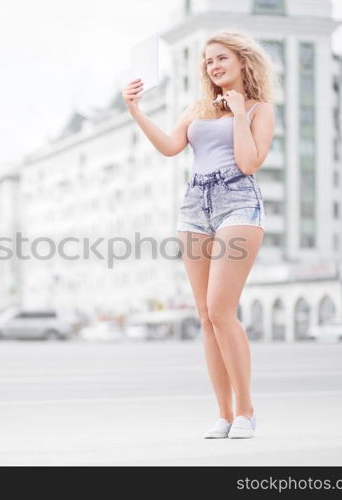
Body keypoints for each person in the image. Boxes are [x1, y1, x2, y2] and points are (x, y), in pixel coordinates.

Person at [122, 30, 275, 439]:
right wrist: (136, 110)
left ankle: (246, 411)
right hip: (195, 205)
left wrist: (240, 112)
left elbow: (248, 161)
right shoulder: (197, 108)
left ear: (243, 62)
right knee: (207, 318)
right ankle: (224, 415)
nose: (214, 66)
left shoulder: (260, 110)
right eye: (209, 61)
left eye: (222, 58)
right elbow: (172, 147)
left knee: (222, 311)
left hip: (238, 203)